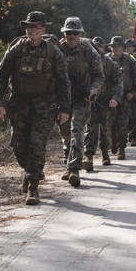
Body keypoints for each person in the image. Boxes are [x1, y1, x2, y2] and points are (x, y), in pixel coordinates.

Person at [0, 11, 71, 205]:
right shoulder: (16, 49)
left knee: (36, 144)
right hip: (19, 104)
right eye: (29, 26)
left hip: (45, 105)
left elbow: (63, 82)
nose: (32, 29)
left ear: (43, 29)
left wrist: (64, 108)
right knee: (18, 145)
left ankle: (33, 186)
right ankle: (29, 172)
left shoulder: (53, 52)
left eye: (36, 26)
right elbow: (0, 77)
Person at [57, 16, 104, 187]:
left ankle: (74, 168)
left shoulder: (89, 52)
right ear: (64, 33)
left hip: (82, 98)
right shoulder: (57, 50)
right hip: (62, 99)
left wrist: (93, 90)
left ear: (80, 33)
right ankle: (68, 163)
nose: (71, 36)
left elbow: (99, 76)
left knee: (76, 129)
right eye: (68, 33)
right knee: (65, 133)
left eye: (75, 33)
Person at [84, 35, 123, 171]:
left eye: (100, 47)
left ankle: (105, 152)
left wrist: (115, 98)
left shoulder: (111, 64)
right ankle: (88, 156)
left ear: (104, 48)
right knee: (91, 129)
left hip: (107, 102)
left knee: (106, 129)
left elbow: (118, 83)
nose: (97, 49)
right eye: (95, 47)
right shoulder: (86, 63)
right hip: (91, 102)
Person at [110, 37, 136, 160]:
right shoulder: (106, 59)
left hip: (125, 96)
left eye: (118, 46)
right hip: (110, 97)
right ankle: (113, 142)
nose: (115, 48)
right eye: (113, 46)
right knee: (111, 123)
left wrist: (134, 92)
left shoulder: (130, 61)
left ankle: (121, 148)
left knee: (122, 123)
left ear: (123, 47)